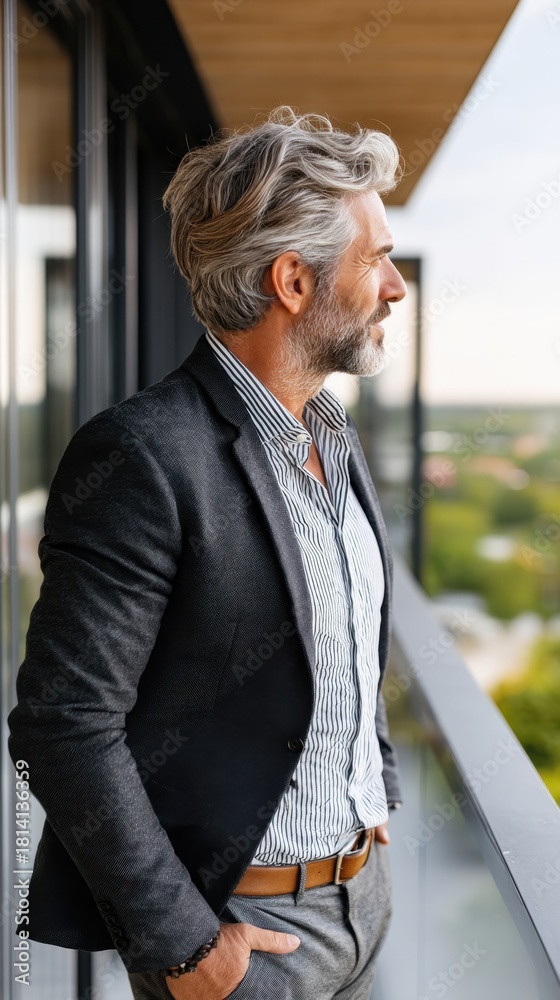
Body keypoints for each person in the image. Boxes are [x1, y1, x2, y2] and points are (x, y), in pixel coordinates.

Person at [8, 107, 407, 1000]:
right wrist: (185, 947)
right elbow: (62, 724)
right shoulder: (142, 456)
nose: (395, 287)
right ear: (293, 281)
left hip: (365, 902)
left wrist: (372, 786)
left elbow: (343, 631)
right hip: (247, 941)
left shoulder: (332, 435)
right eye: (375, 258)